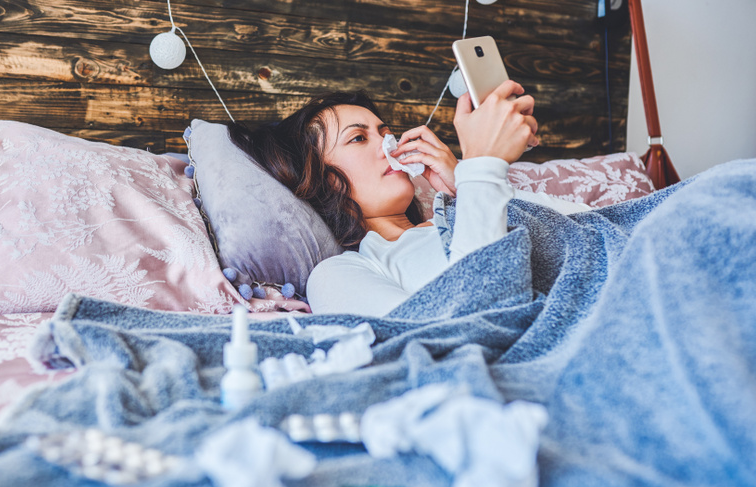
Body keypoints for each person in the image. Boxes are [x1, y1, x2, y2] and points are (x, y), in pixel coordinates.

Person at [229, 81, 590, 316]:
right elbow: (449, 331)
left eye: (386, 132)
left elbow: (584, 233)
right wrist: (482, 169)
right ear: (323, 179)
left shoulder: (465, 204)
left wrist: (463, 183)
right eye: (358, 138)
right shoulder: (341, 273)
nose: (390, 146)